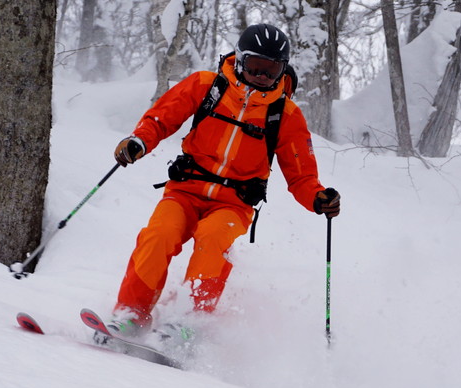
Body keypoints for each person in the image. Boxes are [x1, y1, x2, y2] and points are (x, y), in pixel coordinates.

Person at [109, 23, 340, 337]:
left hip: (233, 205)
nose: (262, 76)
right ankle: (129, 316)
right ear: (241, 59)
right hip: (185, 191)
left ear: (282, 71)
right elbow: (163, 117)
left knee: (214, 239)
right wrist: (139, 142)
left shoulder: (285, 115)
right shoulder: (207, 85)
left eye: (271, 70)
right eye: (256, 66)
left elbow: (302, 176)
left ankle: (188, 325)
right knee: (158, 234)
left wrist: (318, 197)